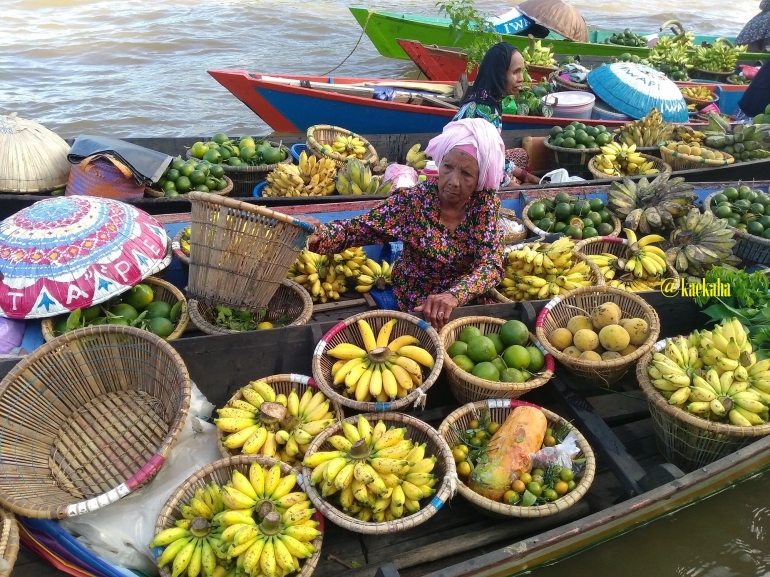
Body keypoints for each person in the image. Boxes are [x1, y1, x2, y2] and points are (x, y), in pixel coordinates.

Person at [305, 118, 506, 330]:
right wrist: (321, 234)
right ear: (440, 164)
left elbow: (491, 263)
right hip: (415, 302)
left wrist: (454, 295)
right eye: (448, 167)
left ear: (479, 178)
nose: (453, 181)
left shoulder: (484, 204)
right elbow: (359, 228)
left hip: (462, 303)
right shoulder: (414, 202)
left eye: (466, 174)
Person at [452, 42, 541, 186]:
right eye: (515, 72)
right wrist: (516, 187)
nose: (521, 78)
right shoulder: (486, 113)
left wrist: (524, 175)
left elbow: (493, 155)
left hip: (478, 163)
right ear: (499, 74)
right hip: (465, 176)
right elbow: (485, 166)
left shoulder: (484, 98)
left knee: (520, 154)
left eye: (521, 71)